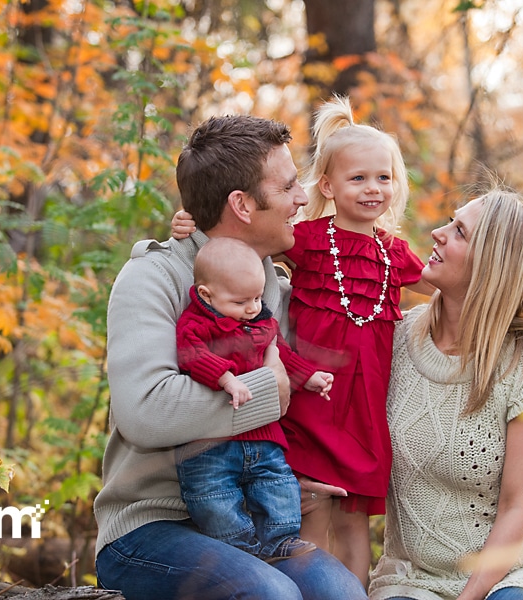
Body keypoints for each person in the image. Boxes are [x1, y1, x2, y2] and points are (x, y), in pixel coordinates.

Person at [94, 113, 367, 600]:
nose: (303, 198)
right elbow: (147, 412)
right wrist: (272, 388)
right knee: (271, 595)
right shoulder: (152, 279)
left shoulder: (274, 286)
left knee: (341, 594)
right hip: (151, 525)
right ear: (241, 205)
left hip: (255, 514)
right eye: (287, 188)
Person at [171, 96, 433, 584]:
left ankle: (350, 593)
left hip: (366, 405)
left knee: (355, 522)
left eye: (383, 178)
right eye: (358, 178)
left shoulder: (395, 252)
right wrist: (189, 226)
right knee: (310, 511)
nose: (372, 188)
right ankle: (309, 586)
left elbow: (450, 284)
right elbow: (231, 256)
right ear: (328, 187)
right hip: (313, 399)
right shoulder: (307, 239)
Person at [364, 186, 523, 600]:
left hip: (516, 571)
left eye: (460, 232)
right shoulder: (393, 338)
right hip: (413, 576)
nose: (437, 233)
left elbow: (518, 508)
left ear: (493, 266)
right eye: (449, 221)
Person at [175, 236, 333, 562]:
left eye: (258, 297)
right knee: (213, 495)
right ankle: (239, 548)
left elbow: (283, 355)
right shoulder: (197, 324)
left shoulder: (262, 322)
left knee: (278, 486)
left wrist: (310, 377)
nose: (252, 307)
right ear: (206, 294)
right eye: (241, 301)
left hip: (264, 439)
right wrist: (225, 378)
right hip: (212, 442)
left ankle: (279, 541)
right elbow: (191, 354)